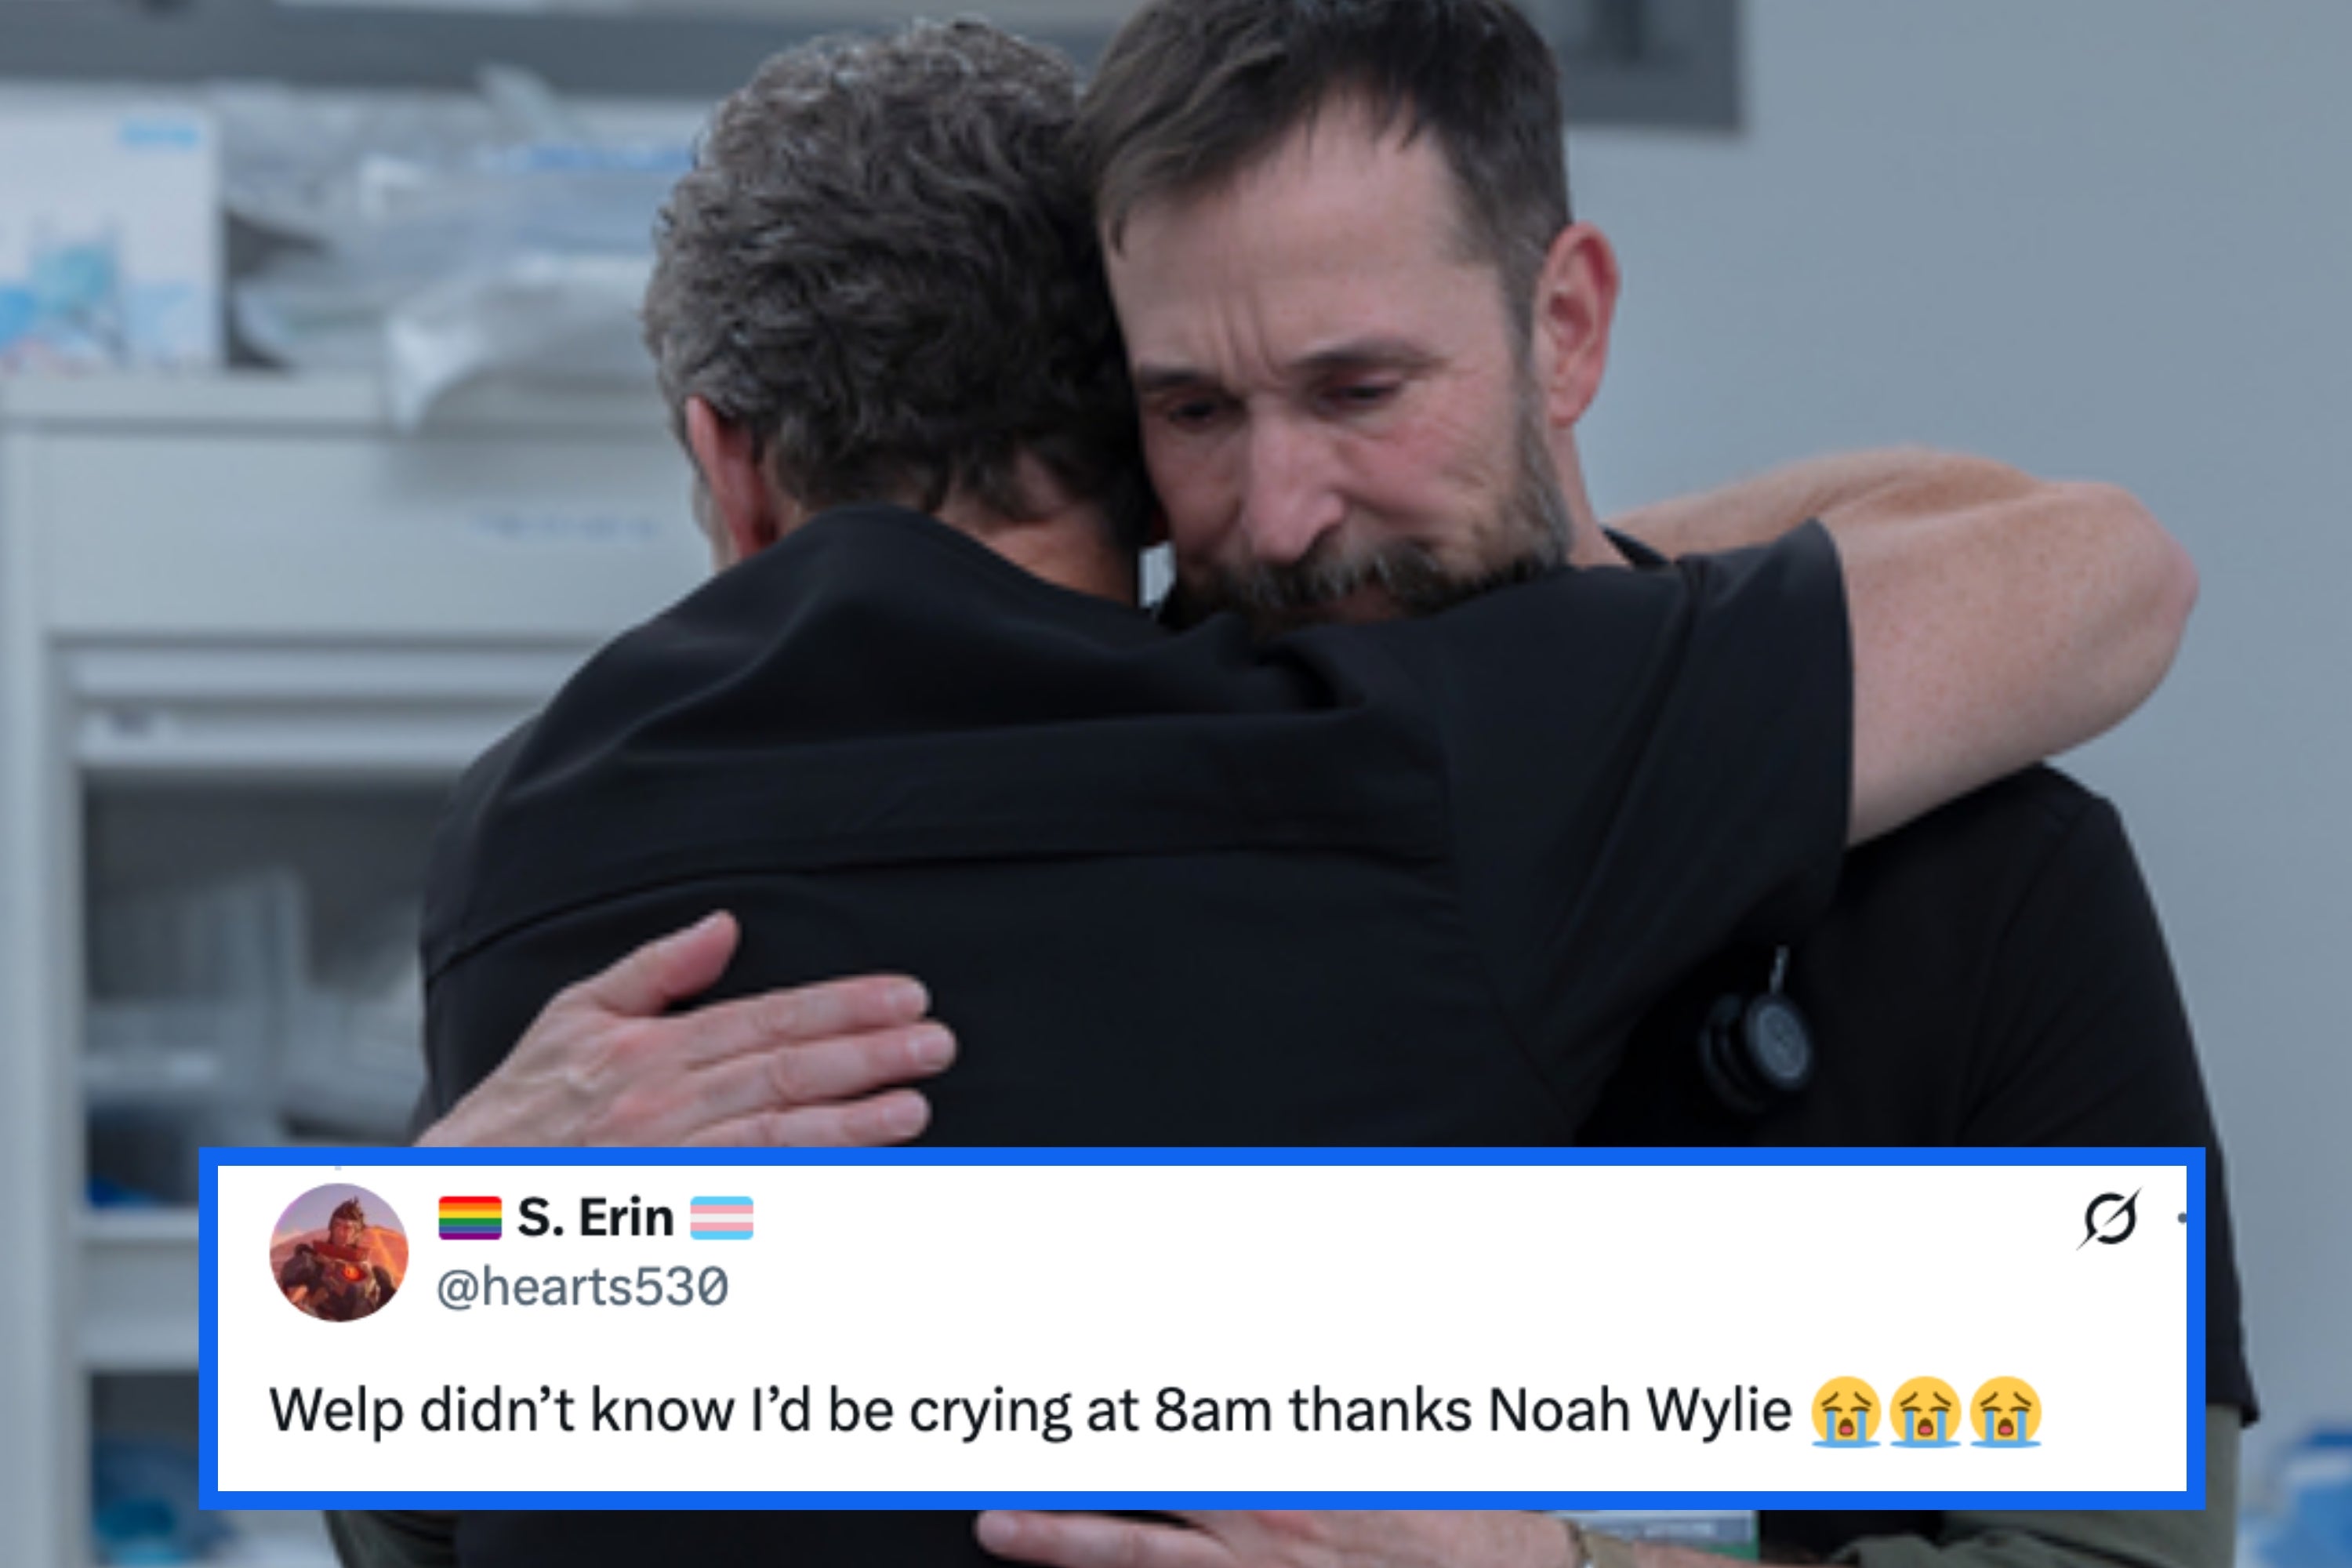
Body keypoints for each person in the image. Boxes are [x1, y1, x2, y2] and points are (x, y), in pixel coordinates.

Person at [351, 9, 2200, 1568]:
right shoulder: (1323, 768)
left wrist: (401, 1298)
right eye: (1202, 416)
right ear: (1128, 449)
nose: (1287, 511)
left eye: (1362, 386)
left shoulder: (1979, 865)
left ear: (1564, 327)